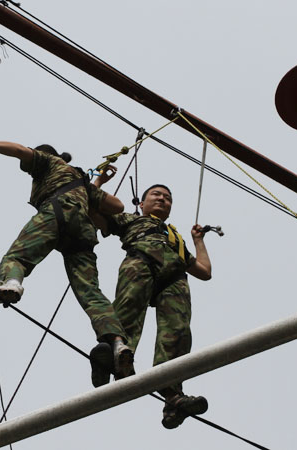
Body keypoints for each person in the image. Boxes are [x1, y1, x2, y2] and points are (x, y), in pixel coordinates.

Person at [0, 132, 134, 383]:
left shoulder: (47, 163)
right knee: (90, 292)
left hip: (56, 214)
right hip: (82, 232)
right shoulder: (79, 180)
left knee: (16, 257)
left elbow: (17, 149)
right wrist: (95, 185)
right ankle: (117, 344)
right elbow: (117, 206)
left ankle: (12, 284)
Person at [93, 169, 213, 429]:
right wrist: (99, 182)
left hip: (174, 277)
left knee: (178, 332)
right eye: (156, 195)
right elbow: (93, 209)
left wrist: (197, 240)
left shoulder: (175, 238)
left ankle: (173, 397)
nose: (162, 199)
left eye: (167, 198)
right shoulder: (130, 219)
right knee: (128, 309)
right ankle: (114, 357)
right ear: (142, 203)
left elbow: (204, 272)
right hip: (140, 262)